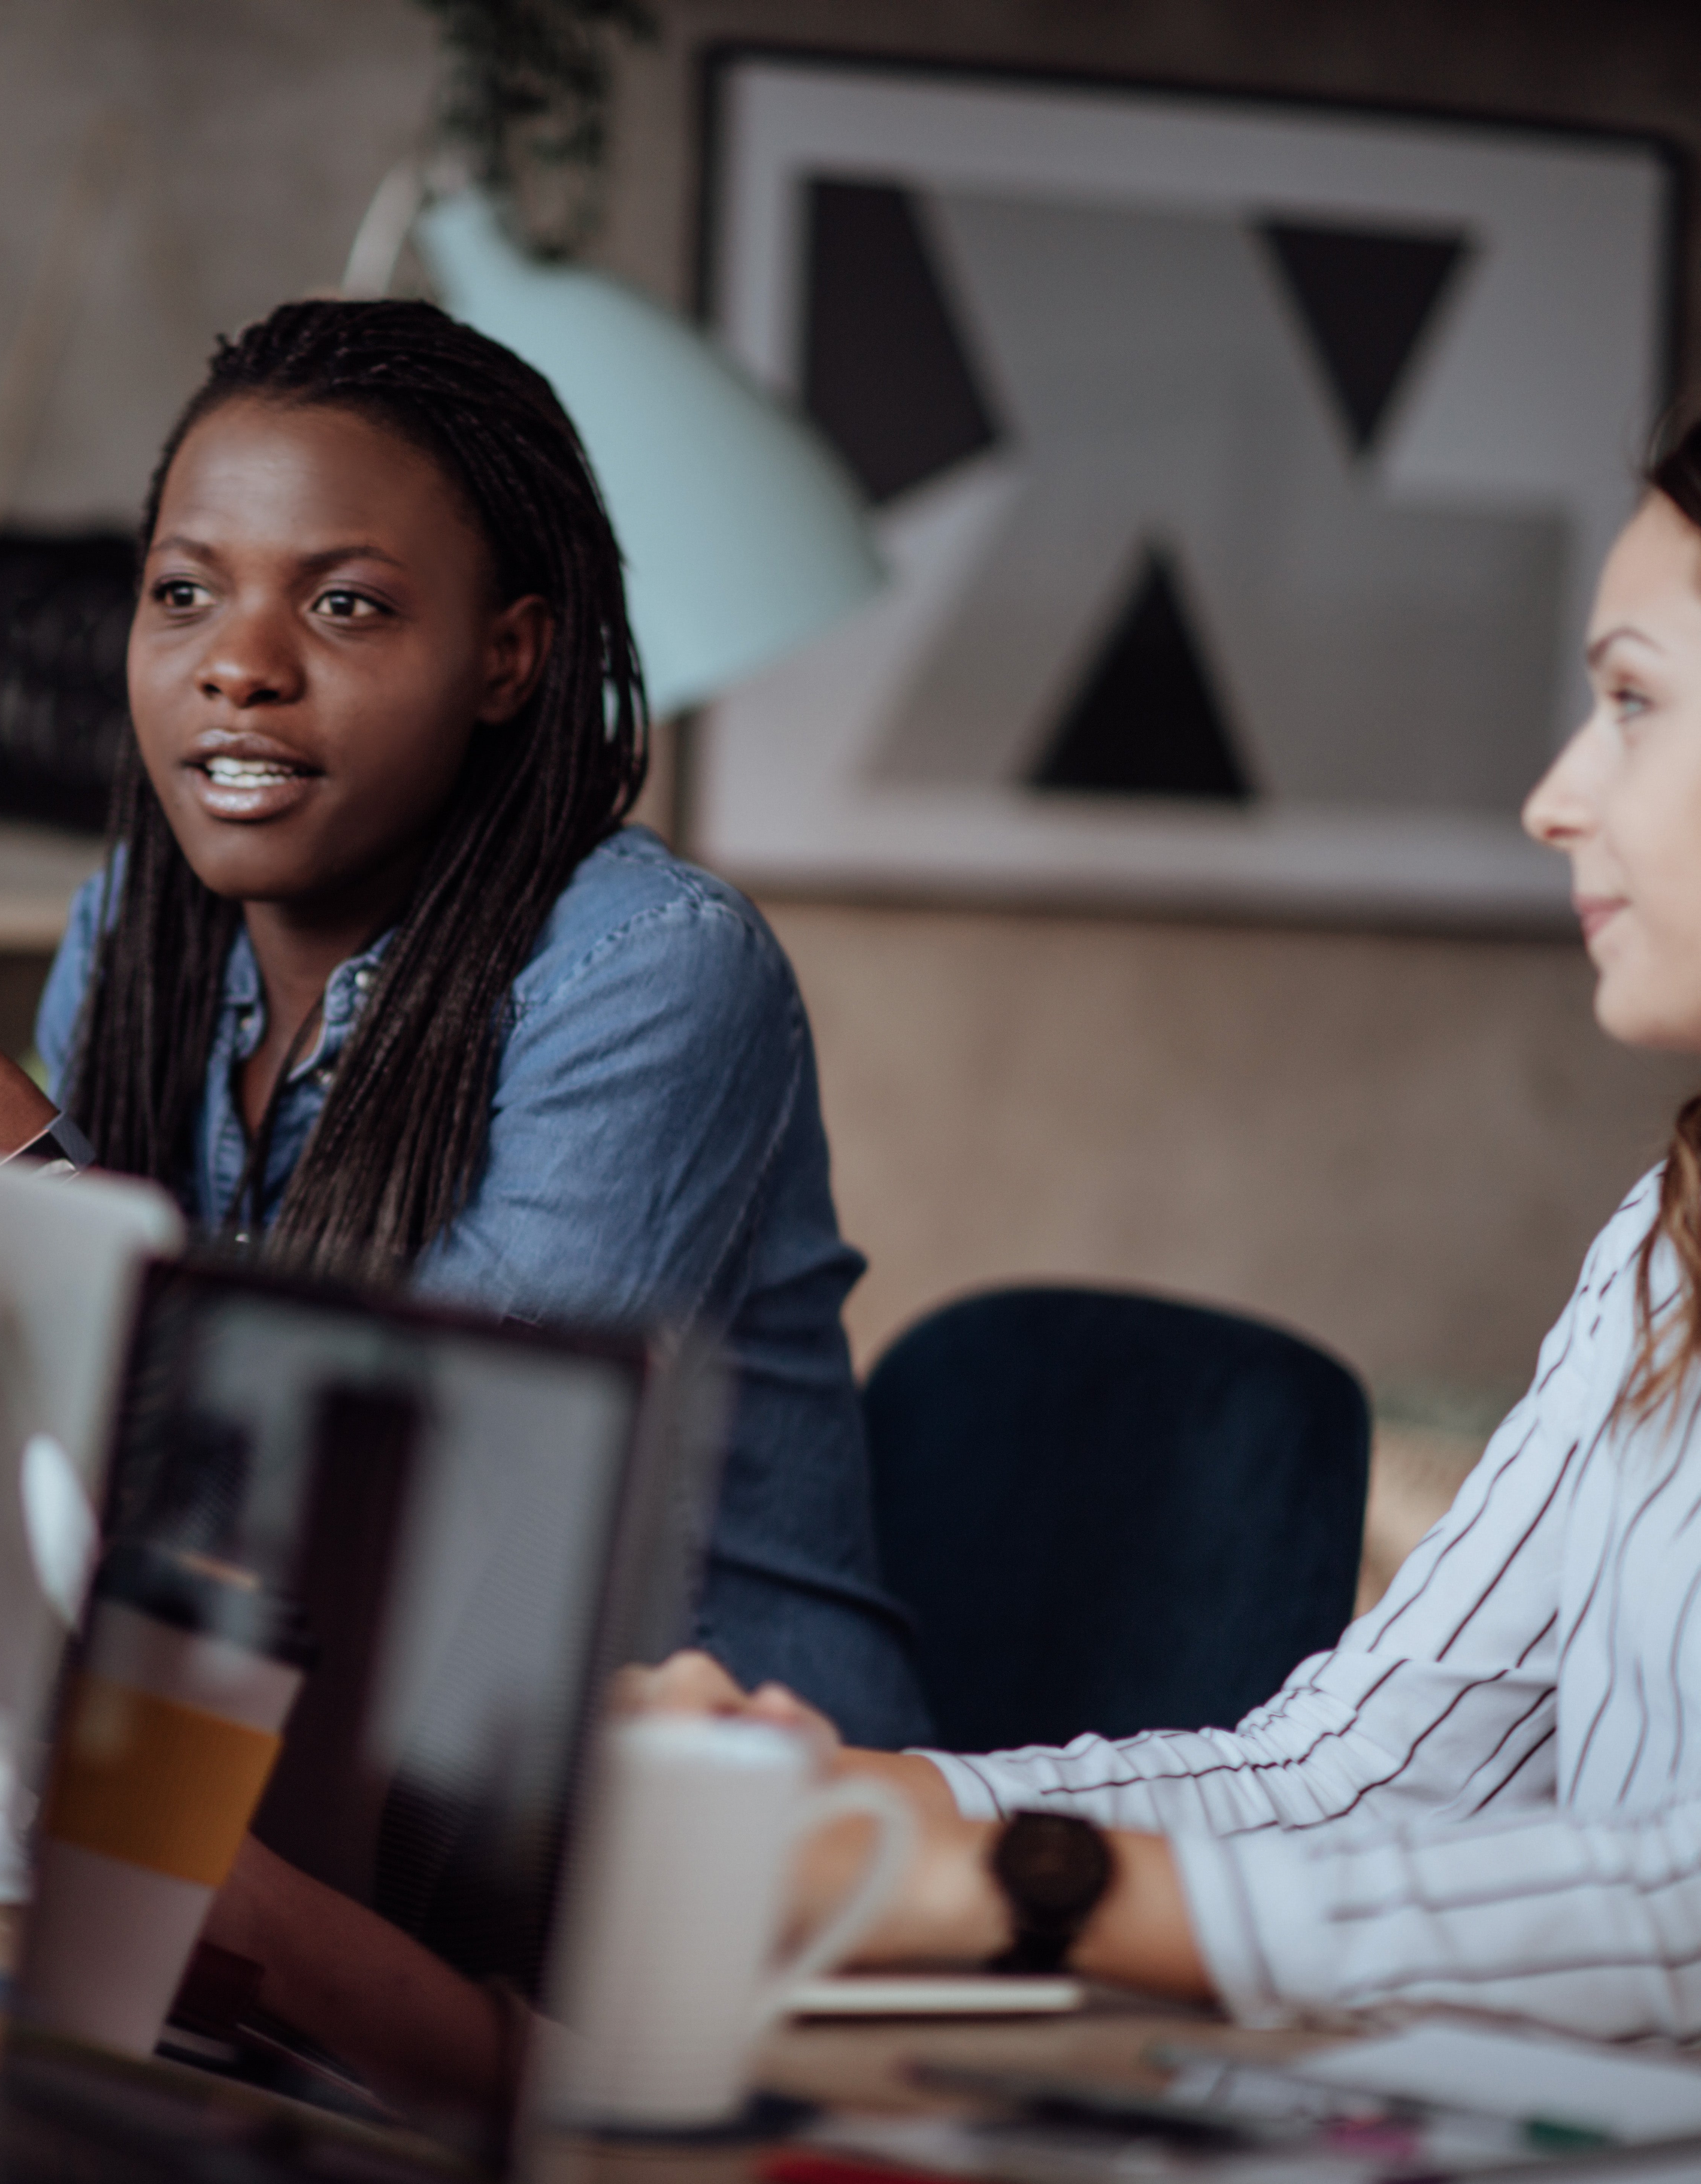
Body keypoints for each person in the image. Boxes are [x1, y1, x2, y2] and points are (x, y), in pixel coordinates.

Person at [0, 299, 931, 1746]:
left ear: (509, 658)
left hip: (713, 1822)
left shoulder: (652, 975)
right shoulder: (141, 930)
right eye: (184, 594)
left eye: (345, 605)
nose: (237, 665)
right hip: (259, 1777)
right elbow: (5, 1496)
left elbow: (410, 1553)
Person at [648, 414, 1701, 2041]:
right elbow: (1352, 1769)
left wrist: (1005, 1892)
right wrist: (857, 1802)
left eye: (1630, 700)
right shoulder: (1668, 1247)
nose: (1552, 798)